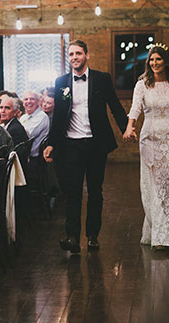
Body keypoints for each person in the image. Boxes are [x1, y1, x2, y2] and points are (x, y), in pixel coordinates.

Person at [43, 40, 128, 254]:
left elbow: (115, 105)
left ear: (87, 55)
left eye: (78, 53)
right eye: (71, 54)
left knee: (95, 191)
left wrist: (126, 128)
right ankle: (72, 237)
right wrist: (51, 143)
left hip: (96, 144)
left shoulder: (101, 79)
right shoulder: (61, 82)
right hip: (71, 145)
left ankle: (92, 236)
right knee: (72, 192)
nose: (74, 57)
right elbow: (59, 117)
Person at [123, 43, 169, 250]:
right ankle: (161, 234)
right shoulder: (142, 85)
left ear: (166, 61)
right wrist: (130, 127)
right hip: (149, 138)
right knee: (154, 184)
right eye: (152, 60)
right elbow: (135, 108)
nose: (154, 63)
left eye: (158, 59)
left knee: (168, 183)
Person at [19, 90, 49, 158]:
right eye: (26, 99)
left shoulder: (42, 116)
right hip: (23, 156)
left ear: (38, 102)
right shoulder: (23, 117)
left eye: (32, 99)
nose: (29, 101)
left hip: (34, 159)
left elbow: (27, 135)